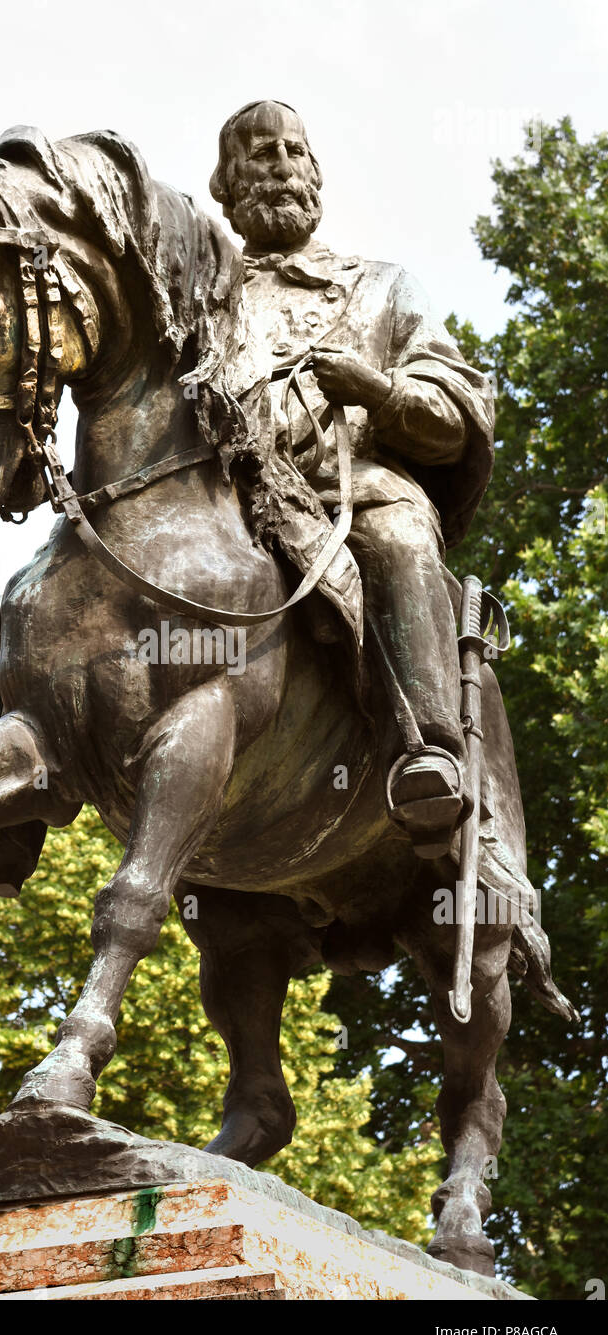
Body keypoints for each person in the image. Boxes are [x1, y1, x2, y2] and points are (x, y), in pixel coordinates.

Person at [211, 99, 495, 857]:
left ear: (314, 173)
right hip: (216, 493)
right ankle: (17, 708)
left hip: (346, 491)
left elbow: (455, 417)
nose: (278, 165)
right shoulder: (198, 292)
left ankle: (425, 749)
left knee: (399, 532)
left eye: (292, 151)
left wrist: (375, 390)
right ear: (226, 185)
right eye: (258, 154)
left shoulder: (381, 288)